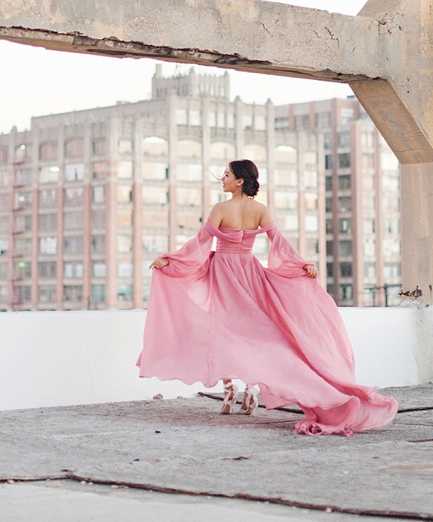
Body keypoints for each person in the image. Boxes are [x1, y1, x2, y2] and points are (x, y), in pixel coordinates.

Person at [136, 159, 398, 436]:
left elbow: (200, 242)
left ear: (239, 181)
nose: (222, 179)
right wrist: (300, 264)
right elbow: (279, 242)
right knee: (254, 332)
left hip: (224, 272)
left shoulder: (221, 209)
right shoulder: (260, 210)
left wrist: (172, 260)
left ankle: (230, 393)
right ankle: (249, 391)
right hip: (249, 272)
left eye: (226, 175)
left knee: (224, 330)